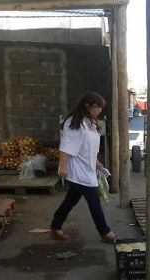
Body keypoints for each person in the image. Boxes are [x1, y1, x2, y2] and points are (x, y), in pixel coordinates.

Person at [50, 92, 116, 243]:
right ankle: (104, 231)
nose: (99, 110)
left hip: (87, 168)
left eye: (101, 107)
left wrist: (96, 162)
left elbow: (89, 147)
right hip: (78, 170)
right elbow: (66, 146)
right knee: (94, 202)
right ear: (87, 105)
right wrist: (63, 167)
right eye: (97, 106)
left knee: (70, 201)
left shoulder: (90, 122)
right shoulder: (75, 122)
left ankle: (55, 226)